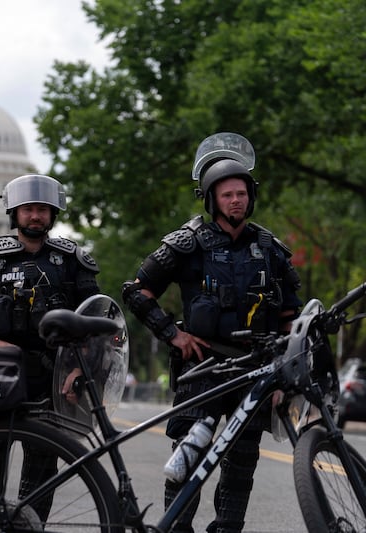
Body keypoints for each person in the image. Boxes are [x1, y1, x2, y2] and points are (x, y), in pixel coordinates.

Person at [121, 132, 302, 533]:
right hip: (202, 368)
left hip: (255, 369)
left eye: (241, 193)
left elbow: (290, 314)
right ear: (211, 199)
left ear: (250, 197)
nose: (235, 200)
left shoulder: (271, 249)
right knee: (188, 456)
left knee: (242, 463)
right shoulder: (187, 244)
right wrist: (174, 335)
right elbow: (136, 292)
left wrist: (283, 373)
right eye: (227, 195)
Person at [0, 173, 100, 529]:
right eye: (29, 209)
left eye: (43, 210)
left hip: (52, 378)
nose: (36, 216)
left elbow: (96, 317)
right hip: (0, 374)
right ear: (14, 213)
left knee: (42, 469)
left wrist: (79, 368)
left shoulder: (73, 260)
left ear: (53, 214)